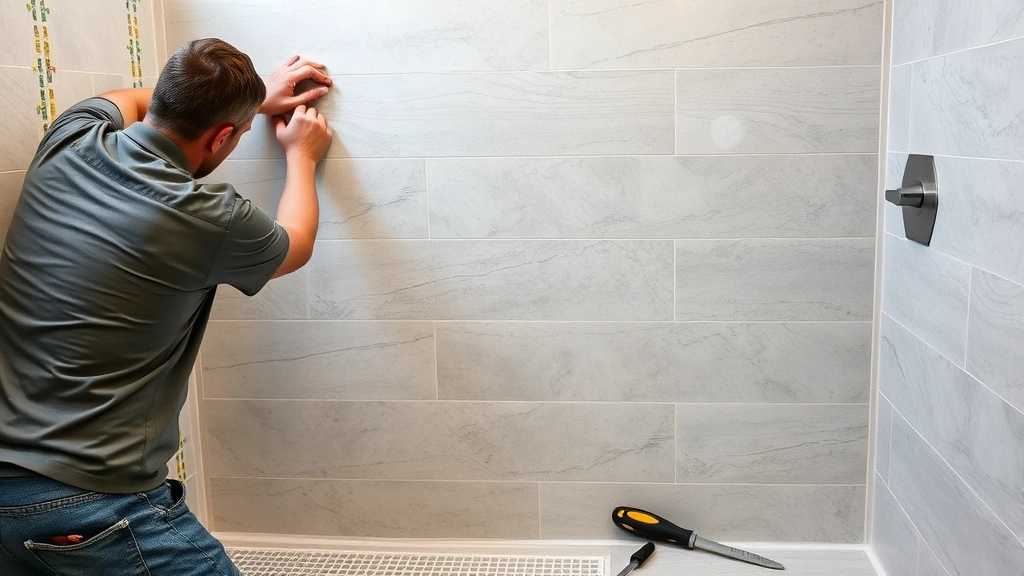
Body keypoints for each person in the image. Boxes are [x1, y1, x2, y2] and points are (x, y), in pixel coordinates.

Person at [0, 38, 333, 575]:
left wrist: (244, 102)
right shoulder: (207, 215)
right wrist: (301, 156)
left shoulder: (69, 137)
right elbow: (294, 245)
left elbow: (125, 101)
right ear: (222, 135)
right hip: (90, 502)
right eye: (239, 133)